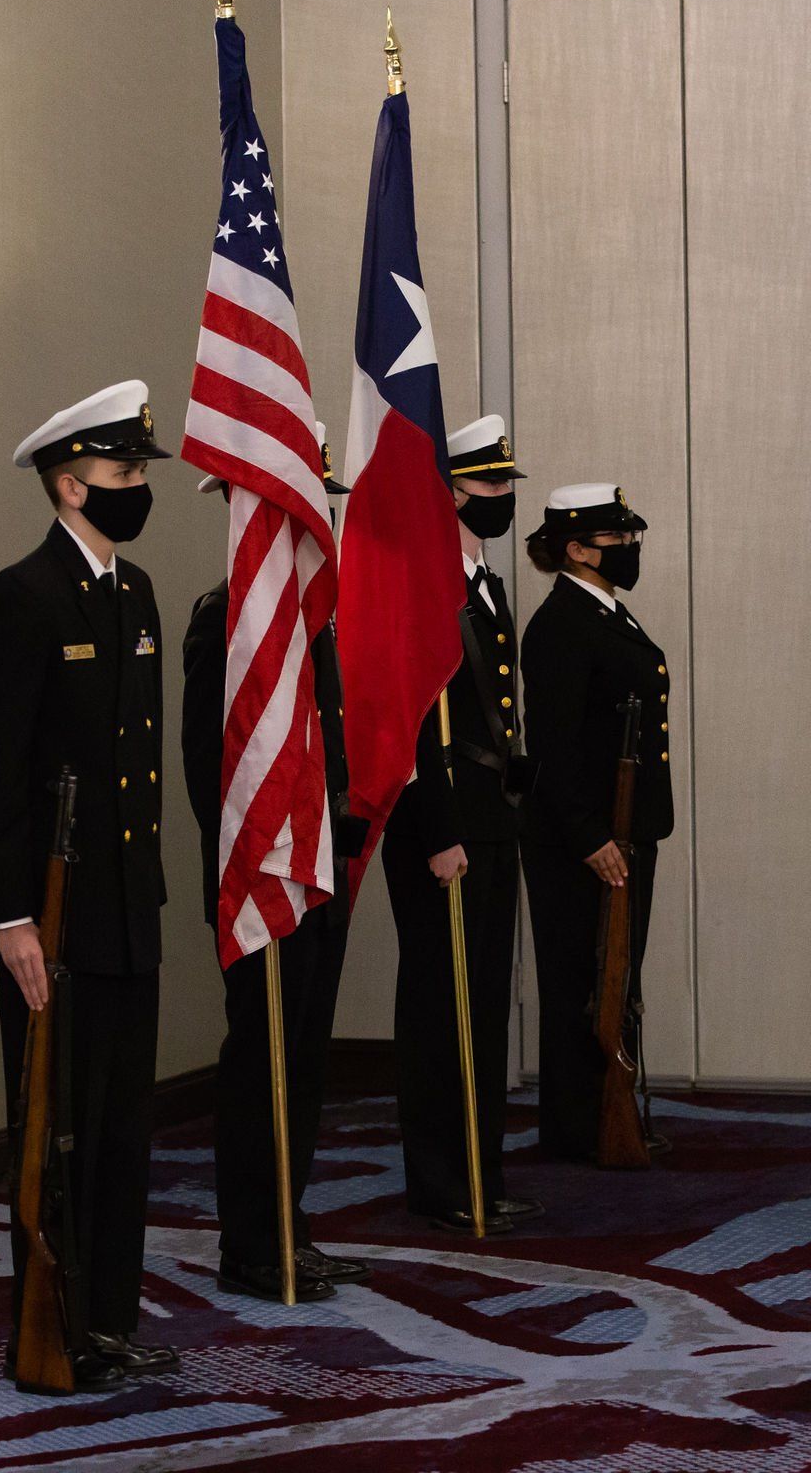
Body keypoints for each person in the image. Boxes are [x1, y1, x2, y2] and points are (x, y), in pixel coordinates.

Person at [0, 380, 178, 1390]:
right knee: (55, 1127)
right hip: (50, 916)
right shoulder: (24, 596)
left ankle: (109, 1322)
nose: (137, 486)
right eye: (121, 470)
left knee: (123, 1128)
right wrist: (8, 918)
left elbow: (138, 764)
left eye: (138, 469)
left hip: (126, 907)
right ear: (68, 484)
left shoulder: (135, 595)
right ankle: (48, 1329)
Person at [181, 427, 371, 1302]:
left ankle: (289, 1224)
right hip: (261, 877)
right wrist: (264, 860)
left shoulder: (317, 611)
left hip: (318, 869)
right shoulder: (227, 618)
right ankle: (252, 1244)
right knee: (261, 1061)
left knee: (304, 1057)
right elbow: (207, 773)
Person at [382, 415, 542, 1236]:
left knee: (481, 1004)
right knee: (439, 1008)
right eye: (488, 483)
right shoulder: (423, 581)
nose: (502, 496)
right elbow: (408, 719)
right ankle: (441, 1180)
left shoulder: (483, 581)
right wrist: (437, 831)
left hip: (491, 818)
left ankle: (483, 1169)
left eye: (507, 482)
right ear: (449, 492)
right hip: (440, 826)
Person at [519, 483, 674, 1161]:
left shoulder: (607, 612)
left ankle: (612, 1116)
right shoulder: (561, 623)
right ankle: (579, 1130)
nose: (629, 548)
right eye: (617, 539)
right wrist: (589, 837)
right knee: (581, 984)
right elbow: (552, 744)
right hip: (584, 841)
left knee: (617, 978)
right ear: (577, 549)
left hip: (625, 831)